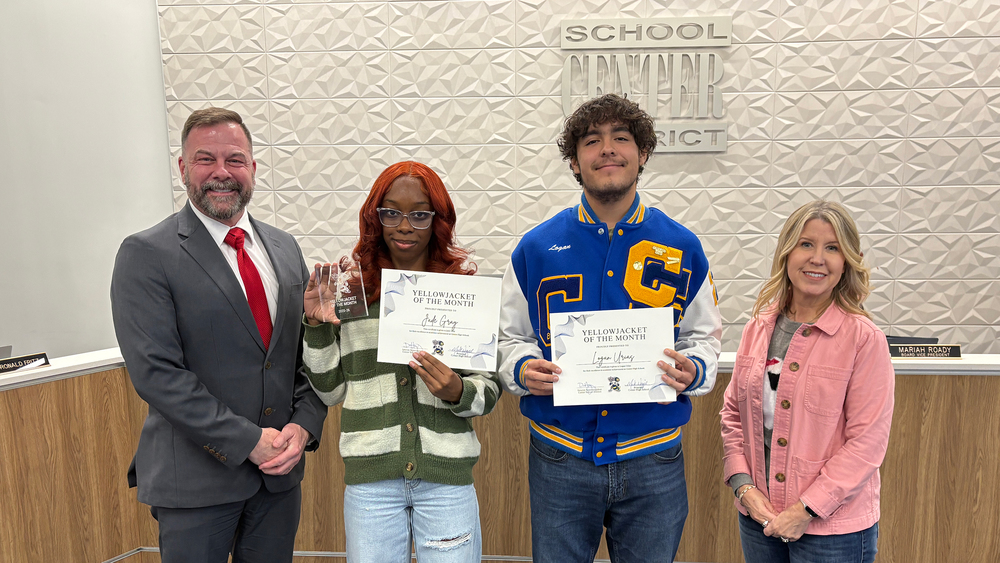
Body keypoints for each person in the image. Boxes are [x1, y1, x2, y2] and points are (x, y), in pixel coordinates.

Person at [497, 93, 723, 562]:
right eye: (592, 141)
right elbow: (508, 338)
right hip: (560, 457)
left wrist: (693, 370)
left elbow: (704, 338)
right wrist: (521, 369)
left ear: (642, 155)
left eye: (621, 138)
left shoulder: (681, 246)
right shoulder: (536, 247)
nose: (607, 149)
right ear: (575, 162)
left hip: (654, 459)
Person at [110, 108, 327, 563]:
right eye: (206, 159)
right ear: (184, 168)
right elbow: (157, 375)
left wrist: (303, 427)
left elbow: (306, 356)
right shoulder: (146, 253)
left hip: (279, 479)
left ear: (253, 168)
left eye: (235, 159)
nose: (222, 173)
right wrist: (249, 441)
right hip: (194, 483)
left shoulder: (285, 248)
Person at [301, 161, 501, 562]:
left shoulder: (462, 294)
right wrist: (316, 326)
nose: (404, 225)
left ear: (437, 219)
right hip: (371, 484)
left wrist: (457, 391)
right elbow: (330, 390)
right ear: (375, 217)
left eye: (419, 213)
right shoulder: (351, 292)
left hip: (446, 481)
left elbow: (489, 393)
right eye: (391, 212)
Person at [720, 200, 894, 563]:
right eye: (806, 244)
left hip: (833, 532)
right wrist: (743, 487)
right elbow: (733, 415)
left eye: (832, 248)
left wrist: (805, 510)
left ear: (848, 260)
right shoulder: (758, 328)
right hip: (759, 519)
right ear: (786, 252)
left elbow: (867, 443)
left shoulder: (863, 339)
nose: (818, 258)